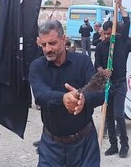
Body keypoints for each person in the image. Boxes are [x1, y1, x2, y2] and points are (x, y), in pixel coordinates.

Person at [29, 20, 104, 167]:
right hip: (51, 146)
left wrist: (83, 97)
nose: (47, 49)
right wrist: (63, 98)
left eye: (52, 43)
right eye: (43, 45)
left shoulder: (83, 61)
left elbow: (99, 92)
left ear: (64, 40)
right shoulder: (37, 66)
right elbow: (40, 95)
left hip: (85, 145)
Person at [94, 0, 131, 158]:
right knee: (108, 116)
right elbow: (96, 65)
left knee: (118, 115)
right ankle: (113, 145)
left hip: (120, 84)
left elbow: (126, 20)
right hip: (107, 85)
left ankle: (124, 145)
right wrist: (103, 71)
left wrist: (120, 6)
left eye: (110, 33)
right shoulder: (100, 47)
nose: (107, 36)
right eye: (105, 34)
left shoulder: (122, 42)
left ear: (115, 31)